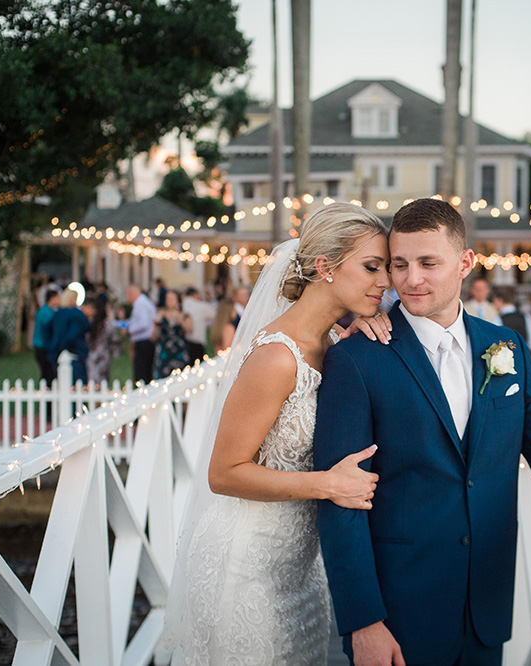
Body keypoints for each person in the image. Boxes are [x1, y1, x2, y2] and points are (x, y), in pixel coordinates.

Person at [314, 198, 531, 666]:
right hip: (399, 612)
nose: (410, 279)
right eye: (399, 264)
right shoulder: (357, 358)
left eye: (428, 263)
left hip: (485, 604)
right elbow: (340, 499)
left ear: (465, 262)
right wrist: (363, 622)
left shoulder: (505, 347)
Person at [160, 203, 392, 665]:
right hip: (243, 570)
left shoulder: (330, 346)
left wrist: (353, 339)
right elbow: (223, 473)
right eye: (372, 266)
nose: (385, 280)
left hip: (301, 572)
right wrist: (326, 484)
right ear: (325, 267)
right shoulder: (276, 357)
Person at [46, 288, 91, 384]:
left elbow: (47, 329)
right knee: (78, 384)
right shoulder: (76, 315)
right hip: (75, 352)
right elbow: (75, 333)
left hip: (56, 352)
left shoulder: (57, 314)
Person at [153, 290, 193, 379]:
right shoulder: (161, 314)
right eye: (167, 299)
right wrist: (157, 323)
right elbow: (154, 336)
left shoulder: (184, 315)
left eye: (171, 299)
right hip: (164, 351)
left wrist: (180, 319)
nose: (169, 301)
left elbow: (190, 331)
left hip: (179, 351)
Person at [124, 285, 156, 385]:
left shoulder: (141, 304)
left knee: (142, 374)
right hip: (143, 342)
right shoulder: (143, 303)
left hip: (144, 342)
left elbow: (144, 323)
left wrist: (129, 330)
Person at [86, 299, 120, 385]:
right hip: (102, 357)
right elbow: (115, 340)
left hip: (93, 356)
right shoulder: (106, 324)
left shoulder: (89, 323)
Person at [33, 289, 60, 386]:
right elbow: (48, 331)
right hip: (44, 347)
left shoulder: (43, 310)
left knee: (46, 373)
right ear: (52, 298)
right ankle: (47, 397)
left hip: (39, 346)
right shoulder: (47, 313)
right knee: (48, 374)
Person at [182, 287, 210, 362]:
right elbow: (214, 315)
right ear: (195, 295)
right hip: (197, 341)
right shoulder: (201, 306)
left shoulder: (183, 304)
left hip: (184, 341)